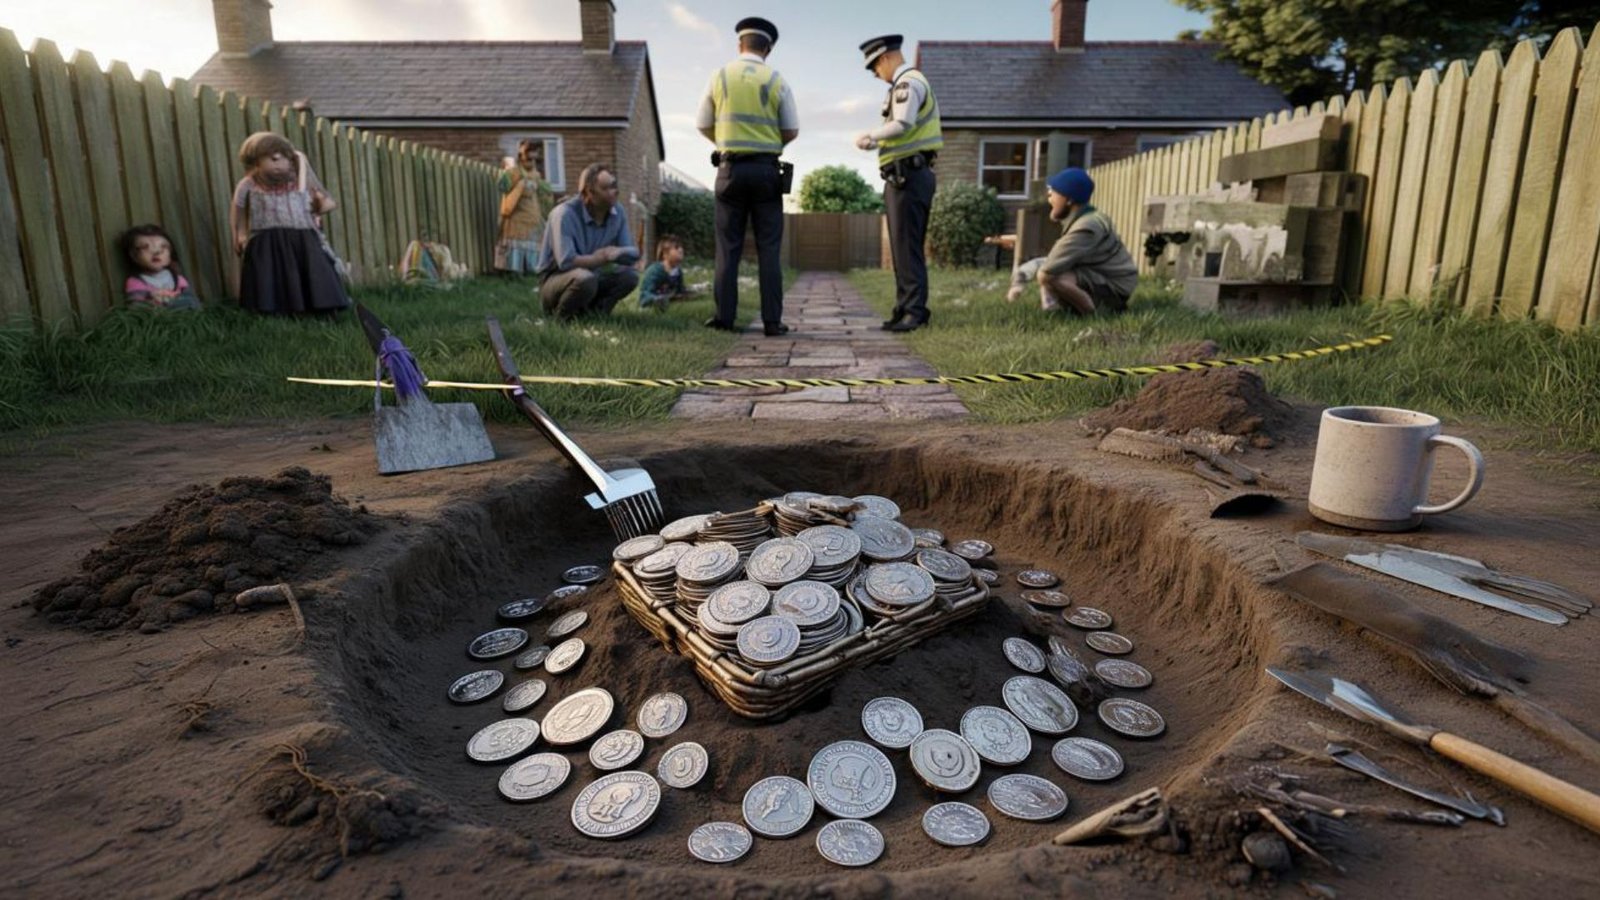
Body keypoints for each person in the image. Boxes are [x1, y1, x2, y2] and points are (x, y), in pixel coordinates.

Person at [697, 16, 798, 337]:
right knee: (769, 247)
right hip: (767, 171)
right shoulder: (776, 80)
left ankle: (725, 318)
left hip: (730, 170)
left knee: (728, 247)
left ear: (740, 43)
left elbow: (701, 123)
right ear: (768, 47)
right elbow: (792, 129)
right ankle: (772, 321)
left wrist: (725, 143)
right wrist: (769, 145)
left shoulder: (720, 77)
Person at [855, 34, 942, 333]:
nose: (877, 76)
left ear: (883, 58)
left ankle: (914, 312)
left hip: (910, 175)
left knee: (907, 247)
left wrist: (870, 136)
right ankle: (904, 307)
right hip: (903, 176)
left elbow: (903, 123)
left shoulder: (908, 82)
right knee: (902, 247)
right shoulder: (904, 83)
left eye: (875, 69)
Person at [230, 131, 349, 315]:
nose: (278, 163)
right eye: (271, 159)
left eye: (283, 158)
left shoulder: (298, 181)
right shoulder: (249, 183)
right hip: (266, 237)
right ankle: (270, 308)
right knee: (268, 272)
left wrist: (316, 200)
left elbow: (326, 204)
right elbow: (237, 209)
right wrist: (239, 233)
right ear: (255, 161)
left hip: (302, 235)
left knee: (314, 267)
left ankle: (321, 306)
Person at [1007, 168, 1138, 315]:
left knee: (1050, 276)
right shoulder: (1086, 219)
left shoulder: (1086, 227)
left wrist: (1020, 280)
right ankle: (1057, 310)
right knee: (1053, 272)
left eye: (1054, 192)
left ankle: (1092, 314)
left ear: (1069, 200)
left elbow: (1049, 267)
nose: (1049, 196)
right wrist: (1020, 279)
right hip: (1103, 277)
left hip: (1114, 288)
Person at [534, 163, 640, 318]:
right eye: (607, 188)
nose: (615, 192)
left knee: (629, 277)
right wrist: (599, 258)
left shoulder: (618, 211)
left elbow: (633, 254)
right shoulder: (564, 214)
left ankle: (596, 314)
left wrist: (617, 252)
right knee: (585, 279)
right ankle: (560, 320)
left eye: (614, 185)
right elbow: (566, 261)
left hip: (591, 276)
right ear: (589, 193)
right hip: (555, 281)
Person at [496, 140, 554, 275]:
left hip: (532, 216)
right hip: (516, 217)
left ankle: (530, 271)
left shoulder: (536, 174)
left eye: (535, 160)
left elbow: (544, 191)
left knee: (533, 244)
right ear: (521, 157)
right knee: (515, 244)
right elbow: (502, 186)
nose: (531, 163)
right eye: (529, 159)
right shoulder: (514, 172)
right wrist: (511, 175)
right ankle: (513, 272)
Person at [120, 224, 200, 310]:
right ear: (134, 256)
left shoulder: (177, 278)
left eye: (163, 247)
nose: (156, 252)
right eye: (145, 247)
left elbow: (192, 299)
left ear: (170, 255)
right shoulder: (136, 282)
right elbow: (135, 307)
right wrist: (153, 301)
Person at [638, 235, 697, 311]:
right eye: (676, 248)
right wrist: (654, 299)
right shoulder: (655, 271)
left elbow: (680, 290)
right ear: (665, 254)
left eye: (681, 247)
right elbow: (645, 293)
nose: (680, 250)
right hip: (653, 297)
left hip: (668, 297)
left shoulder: (678, 271)